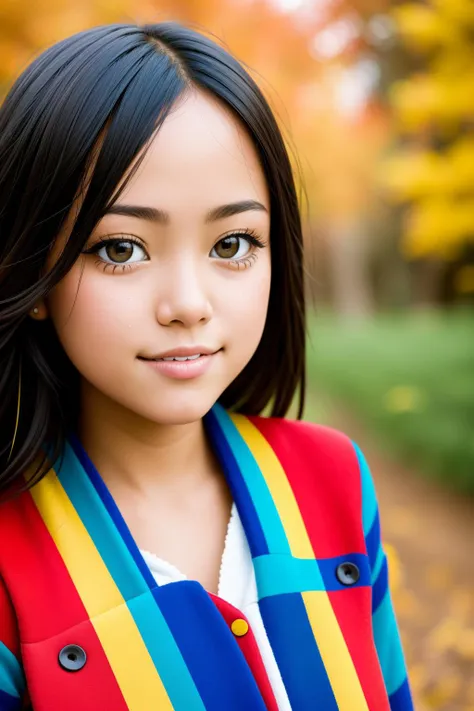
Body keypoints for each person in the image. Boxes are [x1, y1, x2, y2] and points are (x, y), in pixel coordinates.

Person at [0, 21, 413, 711]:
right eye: (122, 248)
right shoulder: (12, 555)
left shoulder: (331, 479)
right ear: (32, 267)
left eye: (232, 242)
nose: (188, 304)